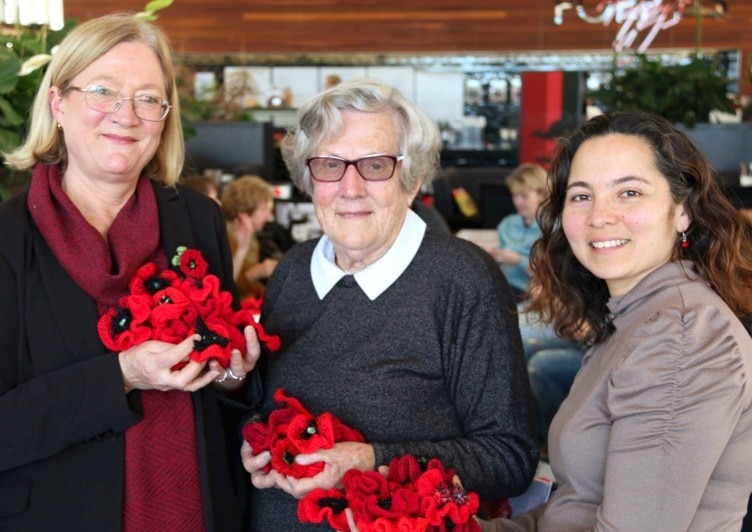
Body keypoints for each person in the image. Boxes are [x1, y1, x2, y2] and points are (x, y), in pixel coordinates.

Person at [0, 13, 263, 531]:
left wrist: (230, 375)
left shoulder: (196, 218)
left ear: (164, 117)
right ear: (58, 104)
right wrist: (122, 375)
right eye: (103, 91)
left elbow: (222, 387)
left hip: (198, 513)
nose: (126, 115)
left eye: (148, 98)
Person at [240, 78, 538, 531]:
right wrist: (255, 438)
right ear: (308, 178)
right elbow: (265, 405)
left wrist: (369, 461)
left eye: (376, 165)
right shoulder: (293, 270)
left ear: (413, 178)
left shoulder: (463, 280)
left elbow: (508, 458)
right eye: (329, 165)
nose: (351, 187)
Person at [479, 111, 752, 531]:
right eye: (581, 195)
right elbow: (574, 506)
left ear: (683, 211)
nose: (599, 216)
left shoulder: (681, 335)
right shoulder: (634, 317)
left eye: (629, 192)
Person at [484, 162, 548, 299]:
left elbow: (550, 272)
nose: (518, 202)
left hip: (534, 294)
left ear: (542, 195)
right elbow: (502, 251)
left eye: (524, 196)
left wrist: (518, 260)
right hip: (503, 286)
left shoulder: (553, 227)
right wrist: (493, 254)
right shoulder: (507, 223)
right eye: (515, 196)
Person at [221, 174, 279, 299]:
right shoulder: (225, 239)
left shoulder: (250, 237)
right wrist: (258, 272)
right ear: (246, 210)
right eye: (264, 209)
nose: (269, 216)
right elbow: (225, 290)